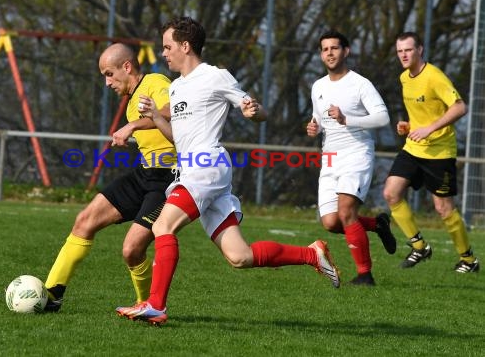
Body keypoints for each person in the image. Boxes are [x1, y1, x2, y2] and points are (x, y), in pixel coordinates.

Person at [115, 17, 341, 326]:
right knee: (240, 257)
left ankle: (155, 304)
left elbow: (257, 110)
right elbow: (177, 139)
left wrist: (253, 111)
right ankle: (312, 254)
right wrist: (156, 115)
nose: (164, 53)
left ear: (185, 46)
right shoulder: (178, 87)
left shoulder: (215, 76)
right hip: (193, 169)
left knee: (162, 227)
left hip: (206, 166)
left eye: (167, 47)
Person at [43, 43, 178, 311]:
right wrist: (133, 124)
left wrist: (133, 125)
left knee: (131, 250)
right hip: (145, 174)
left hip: (169, 179)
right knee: (84, 220)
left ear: (126, 67)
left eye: (108, 74)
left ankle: (147, 304)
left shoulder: (154, 81)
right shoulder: (131, 103)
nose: (107, 82)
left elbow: (172, 111)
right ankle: (52, 295)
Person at [383, 31, 479, 273]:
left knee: (443, 208)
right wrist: (409, 126)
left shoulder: (434, 76)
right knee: (391, 193)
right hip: (414, 148)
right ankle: (419, 246)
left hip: (439, 152)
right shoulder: (404, 77)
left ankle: (468, 260)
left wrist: (430, 129)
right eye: (400, 51)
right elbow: (422, 115)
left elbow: (460, 107)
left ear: (420, 50)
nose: (403, 55)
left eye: (408, 50)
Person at [306, 30, 395, 286]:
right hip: (330, 156)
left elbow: (382, 117)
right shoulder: (319, 86)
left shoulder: (360, 84)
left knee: (346, 211)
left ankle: (365, 274)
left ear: (346, 51)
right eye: (325, 49)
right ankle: (376, 225)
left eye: (334, 48)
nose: (329, 53)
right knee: (332, 222)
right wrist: (314, 127)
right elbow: (318, 119)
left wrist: (349, 119)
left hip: (357, 153)